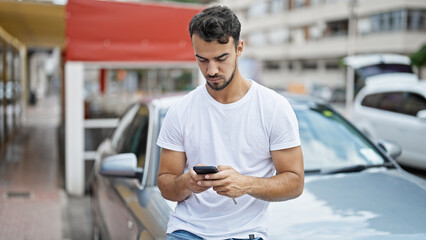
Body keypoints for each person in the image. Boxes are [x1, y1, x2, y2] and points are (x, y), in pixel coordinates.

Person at [157, 5, 304, 240]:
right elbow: (165, 184)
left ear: (239, 49)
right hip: (187, 231)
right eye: (202, 60)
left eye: (221, 58)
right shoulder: (180, 111)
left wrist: (246, 184)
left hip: (246, 233)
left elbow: (295, 182)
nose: (211, 70)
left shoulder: (273, 107)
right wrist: (187, 183)